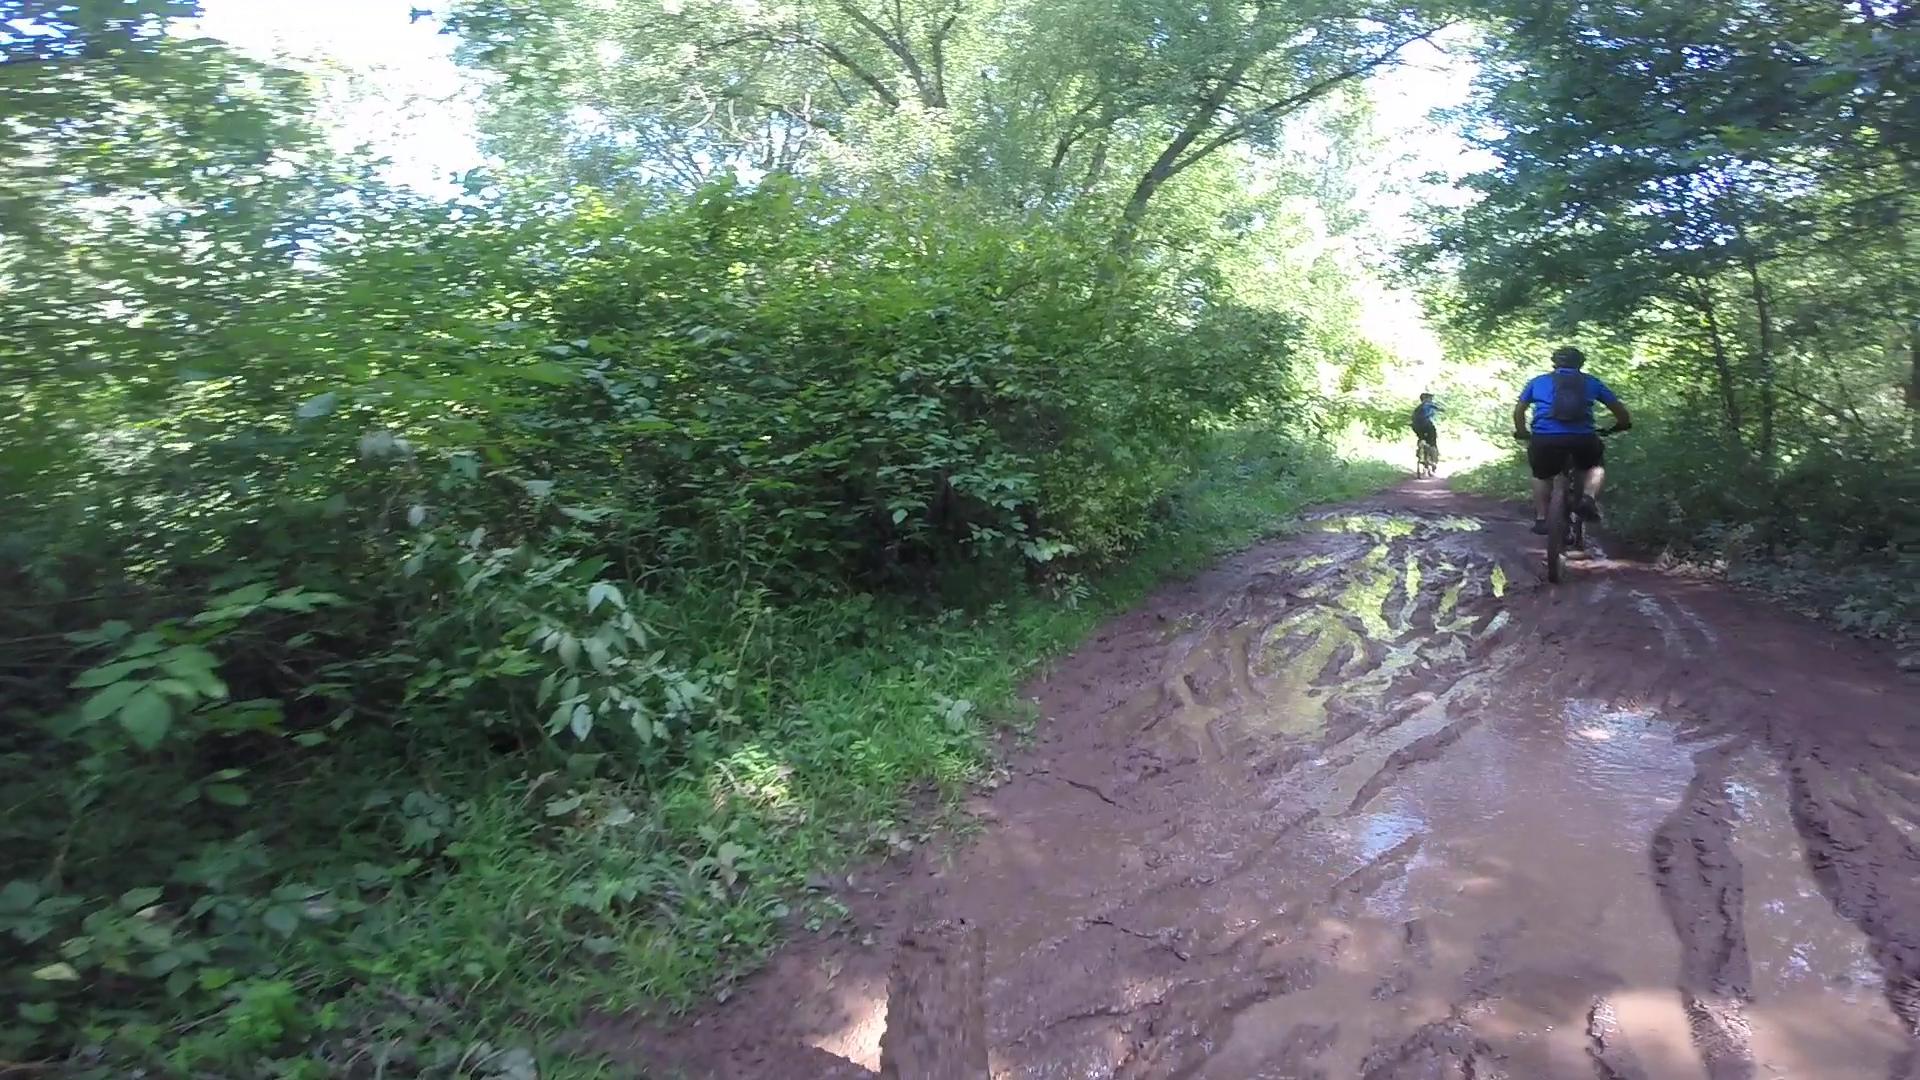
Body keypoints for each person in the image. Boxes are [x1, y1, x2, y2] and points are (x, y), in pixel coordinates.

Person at [1512, 346, 1632, 535]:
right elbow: (1620, 412)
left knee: (1541, 475)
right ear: (1580, 363)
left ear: (1554, 363)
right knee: (1595, 467)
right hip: (1582, 438)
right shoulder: (1592, 382)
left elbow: (1519, 411)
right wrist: (1621, 425)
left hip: (1545, 438)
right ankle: (1588, 498)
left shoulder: (1538, 381)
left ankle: (1542, 518)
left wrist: (1522, 432)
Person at [1411, 392, 1440, 465]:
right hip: (1427, 425)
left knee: (1421, 438)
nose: (1431, 400)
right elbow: (1437, 408)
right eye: (1430, 398)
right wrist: (1441, 409)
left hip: (1416, 426)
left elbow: (1413, 418)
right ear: (1426, 399)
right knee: (1433, 440)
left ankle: (1421, 450)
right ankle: (1433, 457)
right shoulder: (1428, 404)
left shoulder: (1417, 408)